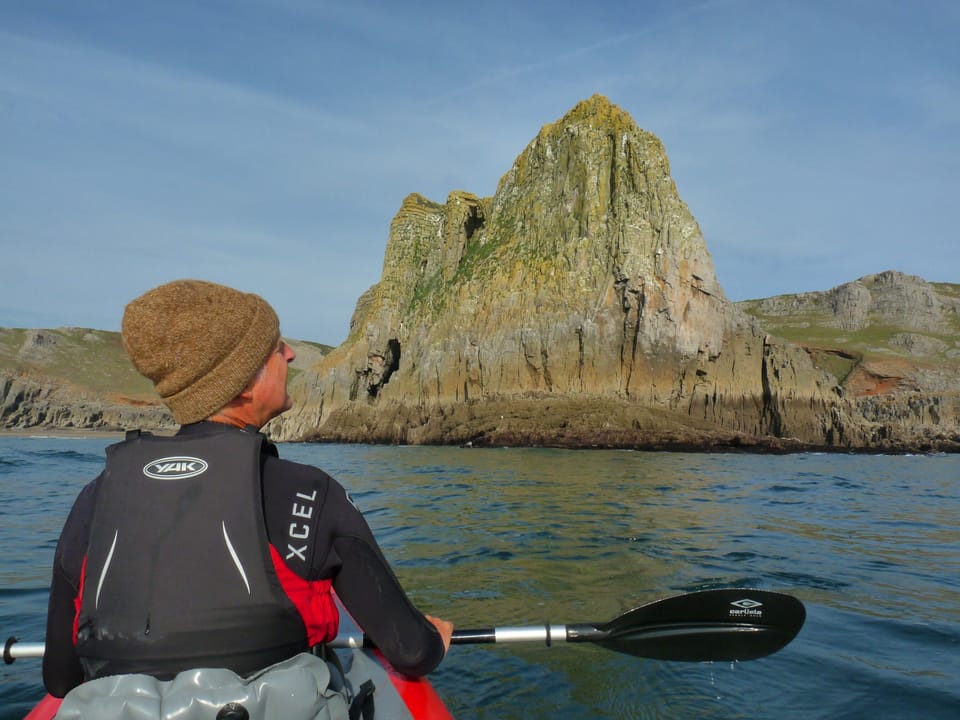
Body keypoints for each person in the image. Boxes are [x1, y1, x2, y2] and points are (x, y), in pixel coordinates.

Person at [42, 279, 453, 701]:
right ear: (240, 381)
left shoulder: (95, 498)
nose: (291, 353)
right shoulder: (310, 492)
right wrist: (434, 638)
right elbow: (410, 649)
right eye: (276, 348)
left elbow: (61, 677)